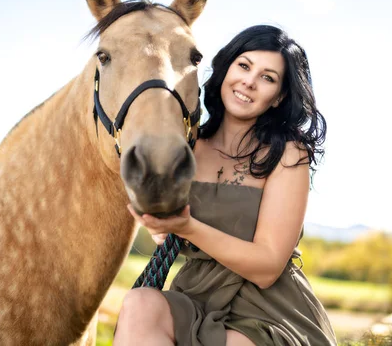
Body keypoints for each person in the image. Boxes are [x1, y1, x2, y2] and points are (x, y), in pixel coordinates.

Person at [113, 25, 336, 346]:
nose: (249, 81)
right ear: (226, 68)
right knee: (139, 303)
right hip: (196, 296)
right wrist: (156, 219)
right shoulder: (187, 145)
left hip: (270, 311)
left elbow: (267, 267)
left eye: (267, 77)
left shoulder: (288, 154)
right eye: (244, 66)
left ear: (279, 98)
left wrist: (186, 226)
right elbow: (155, 206)